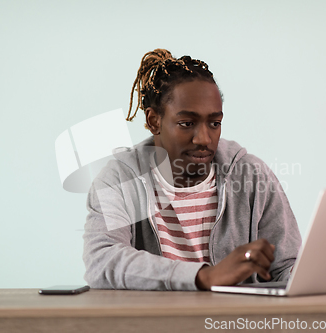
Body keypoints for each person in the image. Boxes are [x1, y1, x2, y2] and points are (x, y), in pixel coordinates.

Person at [82, 49, 301, 290]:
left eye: (214, 123)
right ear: (154, 121)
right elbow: (102, 261)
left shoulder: (251, 174)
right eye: (187, 123)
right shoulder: (121, 178)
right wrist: (204, 276)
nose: (204, 139)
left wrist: (316, 276)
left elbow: (286, 265)